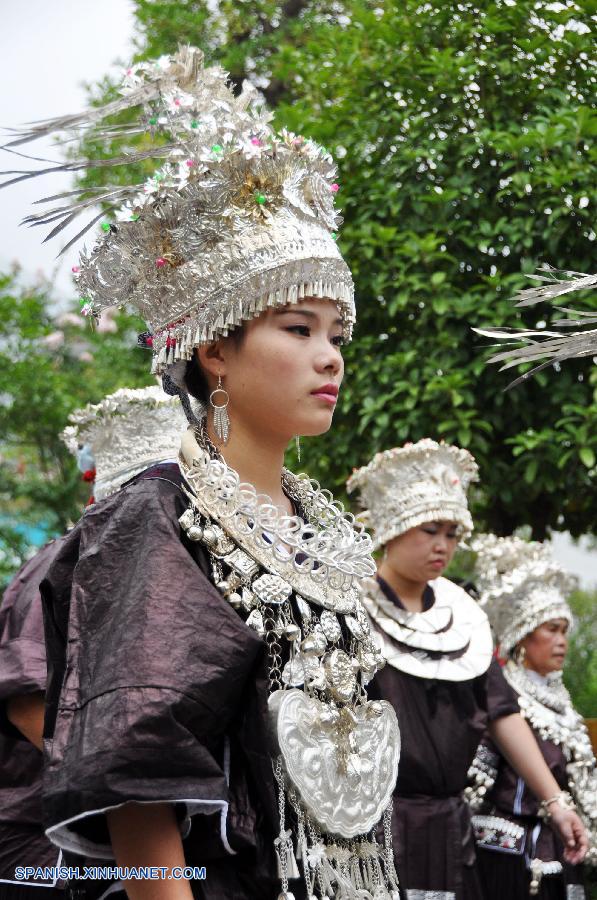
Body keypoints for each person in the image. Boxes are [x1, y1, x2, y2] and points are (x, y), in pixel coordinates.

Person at [10, 47, 401, 900]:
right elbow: (138, 774)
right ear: (217, 347)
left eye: (337, 332)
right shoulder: (155, 515)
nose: (329, 356)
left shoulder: (325, 531)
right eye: (298, 328)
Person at [347, 440, 587, 900]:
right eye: (430, 530)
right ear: (393, 528)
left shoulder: (465, 616)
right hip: (374, 825)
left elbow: (502, 713)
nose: (443, 546)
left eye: (453, 534)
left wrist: (556, 803)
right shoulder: (351, 608)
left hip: (450, 828)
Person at [0, 386, 187, 899]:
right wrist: (125, 780)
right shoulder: (61, 566)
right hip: (47, 849)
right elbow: (29, 700)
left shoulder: (168, 567)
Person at [468, 534, 597, 898]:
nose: (562, 642)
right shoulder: (504, 700)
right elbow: (474, 786)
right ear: (523, 637)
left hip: (560, 848)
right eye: (551, 630)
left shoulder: (564, 707)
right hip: (505, 857)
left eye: (565, 631)